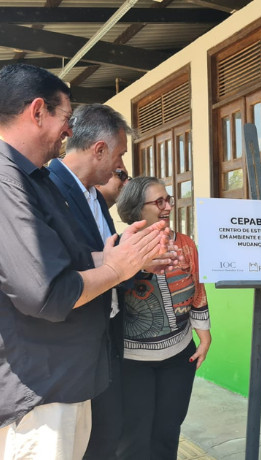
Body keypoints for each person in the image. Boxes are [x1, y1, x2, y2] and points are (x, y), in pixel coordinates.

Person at [0, 64, 166, 459]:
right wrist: (115, 268)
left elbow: (61, 260)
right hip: (42, 389)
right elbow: (48, 292)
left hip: (66, 377)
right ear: (37, 111)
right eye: (65, 117)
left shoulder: (30, 178)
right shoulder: (8, 180)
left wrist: (120, 255)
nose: (69, 132)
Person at [47, 104, 131, 460]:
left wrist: (139, 262)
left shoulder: (96, 197)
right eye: (119, 154)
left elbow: (106, 256)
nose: (120, 166)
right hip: (66, 351)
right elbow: (57, 273)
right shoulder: (48, 189)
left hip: (104, 339)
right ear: (99, 149)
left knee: (106, 436)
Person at [115, 176, 211, 460]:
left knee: (168, 432)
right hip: (132, 362)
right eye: (159, 201)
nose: (167, 206)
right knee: (134, 437)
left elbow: (198, 288)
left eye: (168, 199)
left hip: (180, 357)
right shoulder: (121, 247)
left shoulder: (185, 244)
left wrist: (203, 334)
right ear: (136, 209)